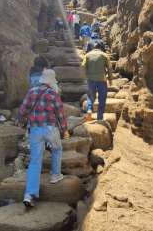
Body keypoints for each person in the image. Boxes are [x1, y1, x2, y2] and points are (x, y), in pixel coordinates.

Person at [19, 69, 70, 207]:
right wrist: (65, 130)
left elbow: (23, 109)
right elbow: (60, 114)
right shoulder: (54, 94)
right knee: (57, 149)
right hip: (51, 128)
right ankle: (55, 175)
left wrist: (21, 121)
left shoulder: (31, 92)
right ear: (52, 82)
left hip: (35, 129)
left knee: (35, 160)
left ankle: (29, 194)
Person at [81, 41, 113, 122]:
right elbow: (109, 67)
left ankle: (89, 110)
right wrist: (110, 79)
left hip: (91, 79)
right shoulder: (104, 55)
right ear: (100, 48)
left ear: (92, 48)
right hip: (102, 79)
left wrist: (86, 76)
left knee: (90, 97)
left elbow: (83, 66)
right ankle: (99, 117)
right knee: (102, 98)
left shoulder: (87, 55)